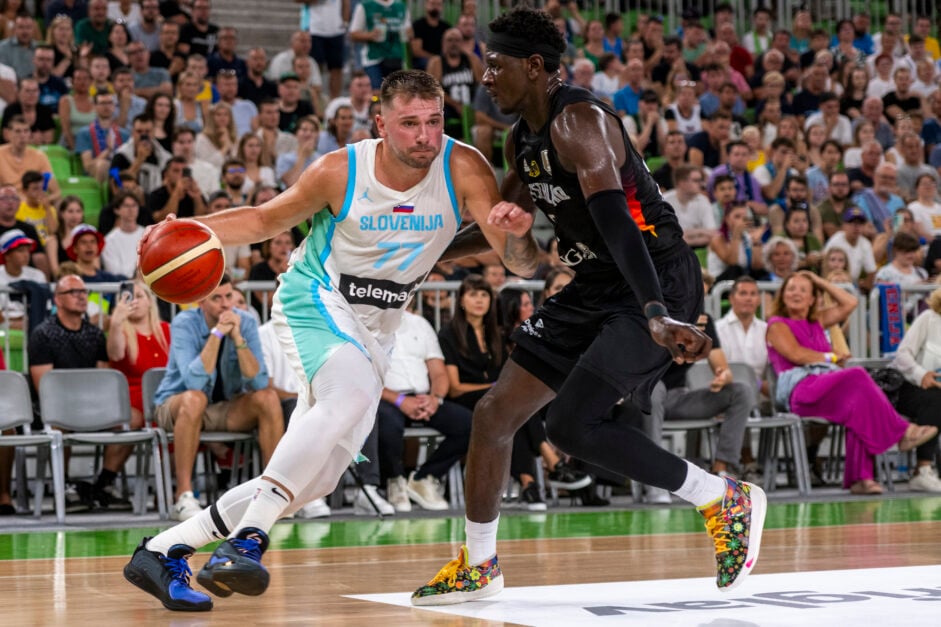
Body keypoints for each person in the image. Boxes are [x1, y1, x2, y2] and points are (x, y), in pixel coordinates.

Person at [124, 69, 543, 611]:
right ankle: (247, 539)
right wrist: (190, 230)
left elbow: (521, 262)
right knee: (344, 400)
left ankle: (160, 552)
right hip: (315, 297)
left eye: (434, 121)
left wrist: (517, 235)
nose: (424, 135)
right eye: (410, 123)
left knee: (316, 479)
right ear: (381, 124)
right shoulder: (339, 170)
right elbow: (260, 220)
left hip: (378, 326)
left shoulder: (462, 167)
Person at [410, 8, 761, 606]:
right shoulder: (525, 137)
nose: (486, 78)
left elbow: (618, 223)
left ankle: (721, 499)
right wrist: (417, 258)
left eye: (495, 66)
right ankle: (480, 563)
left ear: (536, 66)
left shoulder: (581, 123)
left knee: (572, 424)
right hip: (596, 282)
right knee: (495, 415)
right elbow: (503, 229)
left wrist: (655, 311)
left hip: (652, 277)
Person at [765, 271, 938, 495]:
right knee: (856, 374)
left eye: (802, 290)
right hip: (800, 390)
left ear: (812, 299)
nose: (795, 293)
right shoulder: (777, 324)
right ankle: (903, 432)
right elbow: (797, 355)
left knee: (857, 408)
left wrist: (818, 280)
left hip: (825, 386)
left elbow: (851, 302)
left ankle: (861, 480)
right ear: (783, 295)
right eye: (790, 289)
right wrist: (833, 357)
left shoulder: (817, 320)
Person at [151, 276, 284, 522]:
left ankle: (272, 495)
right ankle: (184, 496)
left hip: (222, 408)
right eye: (216, 298)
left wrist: (238, 339)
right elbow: (194, 382)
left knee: (268, 398)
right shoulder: (184, 323)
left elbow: (258, 382)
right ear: (201, 301)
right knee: (194, 399)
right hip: (174, 406)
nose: (225, 305)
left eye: (228, 296)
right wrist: (217, 335)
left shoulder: (246, 322)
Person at [378, 307, 469, 512]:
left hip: (423, 397)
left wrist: (435, 398)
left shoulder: (420, 323)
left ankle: (425, 477)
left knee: (469, 424)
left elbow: (439, 373)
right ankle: (395, 479)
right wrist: (400, 400)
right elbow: (363, 376)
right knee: (387, 423)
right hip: (385, 397)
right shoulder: (367, 322)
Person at [889, 287, 941, 492]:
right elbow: (902, 355)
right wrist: (921, 375)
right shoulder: (929, 318)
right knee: (937, 398)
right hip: (907, 386)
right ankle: (923, 469)